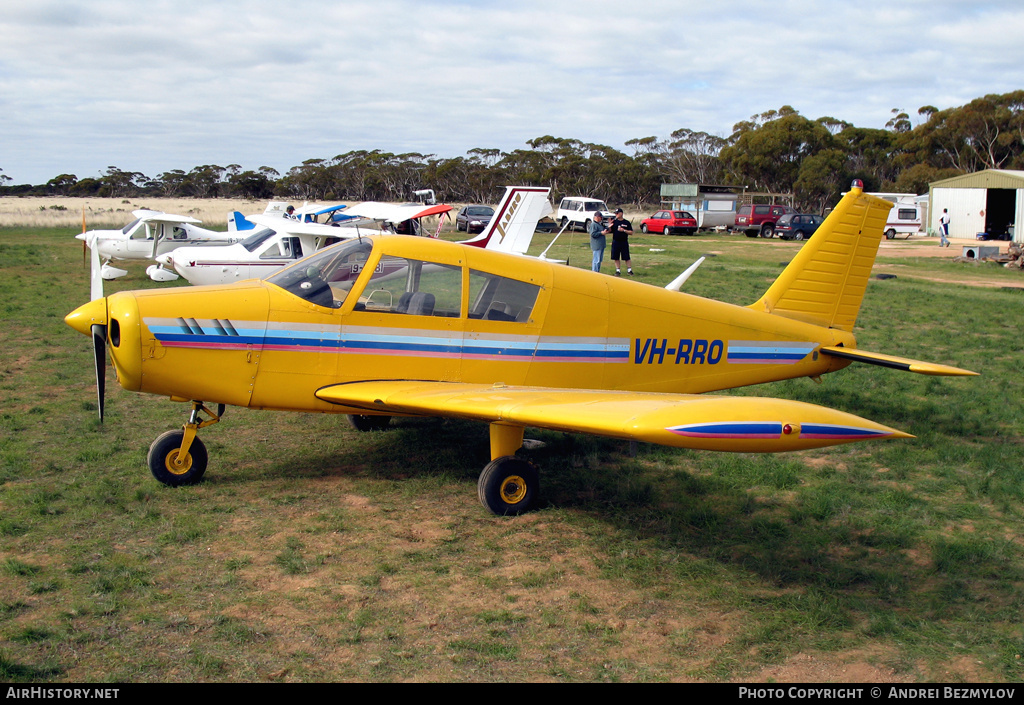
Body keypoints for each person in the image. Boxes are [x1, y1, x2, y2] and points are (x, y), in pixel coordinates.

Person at [608, 208, 634, 276]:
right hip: (616, 241)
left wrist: (624, 230)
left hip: (624, 242)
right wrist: (609, 225)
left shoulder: (626, 222)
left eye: (617, 213)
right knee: (616, 257)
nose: (616, 215)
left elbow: (631, 232)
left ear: (621, 213)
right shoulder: (614, 222)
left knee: (626, 257)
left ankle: (629, 270)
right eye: (615, 213)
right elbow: (609, 231)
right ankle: (618, 270)